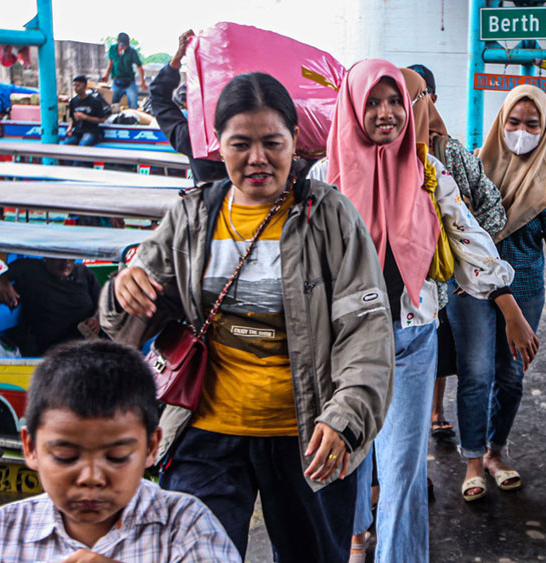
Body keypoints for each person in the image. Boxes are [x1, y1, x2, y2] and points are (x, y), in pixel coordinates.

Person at [101, 71, 392, 562]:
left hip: (310, 439)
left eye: (272, 142)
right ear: (218, 146)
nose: (257, 158)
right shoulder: (192, 218)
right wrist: (122, 290)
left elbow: (365, 331)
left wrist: (346, 418)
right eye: (241, 144)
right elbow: (124, 323)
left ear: (295, 142)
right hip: (206, 434)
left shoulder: (331, 217)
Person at [307, 59, 530, 562]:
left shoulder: (429, 170)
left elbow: (470, 237)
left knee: (403, 466)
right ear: (352, 106)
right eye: (374, 102)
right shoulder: (326, 177)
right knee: (349, 458)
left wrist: (504, 296)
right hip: (345, 346)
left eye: (396, 102)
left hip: (411, 339)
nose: (387, 113)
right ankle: (356, 536)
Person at [0, 340, 241, 561]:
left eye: (115, 457)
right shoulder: (3, 534)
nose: (91, 477)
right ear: (31, 448)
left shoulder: (185, 526)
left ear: (151, 446)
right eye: (66, 456)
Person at [448, 84, 546, 503]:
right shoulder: (473, 171)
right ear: (500, 124)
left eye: (532, 125)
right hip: (472, 290)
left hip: (527, 292)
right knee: (476, 375)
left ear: (545, 128)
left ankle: (495, 452)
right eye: (513, 123)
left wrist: (544, 198)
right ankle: (471, 460)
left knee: (511, 377)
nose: (521, 132)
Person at [398, 68, 508, 442]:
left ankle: (459, 438)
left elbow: (491, 209)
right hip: (404, 298)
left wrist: (467, 264)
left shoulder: (446, 155)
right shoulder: (369, 160)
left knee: (462, 363)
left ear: (430, 99)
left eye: (413, 97)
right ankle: (431, 415)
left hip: (453, 286)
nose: (394, 111)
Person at [149, 30, 227, 183]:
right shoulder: (255, 138)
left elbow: (158, 97)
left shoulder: (192, 137)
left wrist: (177, 59)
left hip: (207, 204)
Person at [0, 258, 101, 357]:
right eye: (59, 257)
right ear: (46, 256)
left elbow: (101, 304)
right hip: (47, 353)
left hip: (86, 347)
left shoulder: (84, 273)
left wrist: (96, 318)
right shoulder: (30, 269)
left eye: (70, 257)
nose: (66, 262)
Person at [61, 75, 110, 147]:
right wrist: (70, 127)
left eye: (78, 86)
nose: (75, 88)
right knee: (66, 145)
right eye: (74, 85)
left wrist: (85, 117)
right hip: (77, 132)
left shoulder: (94, 101)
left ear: (85, 86)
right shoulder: (73, 101)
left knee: (83, 145)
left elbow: (101, 120)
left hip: (91, 132)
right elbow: (72, 118)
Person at [102, 32, 146, 109]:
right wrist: (106, 75)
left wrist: (142, 81)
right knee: (112, 104)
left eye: (126, 45)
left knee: (133, 103)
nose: (124, 47)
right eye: (122, 45)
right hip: (117, 82)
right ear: (118, 41)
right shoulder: (112, 49)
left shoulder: (132, 51)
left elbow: (139, 66)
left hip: (129, 82)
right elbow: (110, 63)